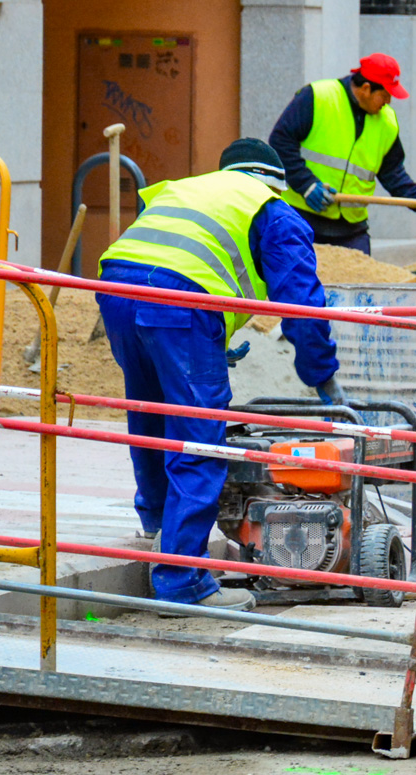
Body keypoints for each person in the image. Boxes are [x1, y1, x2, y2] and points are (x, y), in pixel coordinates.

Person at [97, 138, 348, 613]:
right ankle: (182, 579)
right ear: (276, 182)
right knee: (200, 437)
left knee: (150, 416)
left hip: (113, 286)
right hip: (179, 304)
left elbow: (174, 261)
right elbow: (302, 305)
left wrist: (207, 341)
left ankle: (156, 527)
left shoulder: (188, 189)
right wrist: (323, 376)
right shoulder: (274, 210)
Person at [268, 53, 416, 255]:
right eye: (385, 94)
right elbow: (280, 142)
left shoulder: (387, 122)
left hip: (351, 229)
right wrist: (307, 185)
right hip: (301, 219)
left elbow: (393, 175)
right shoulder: (318, 97)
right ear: (366, 89)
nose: (389, 101)